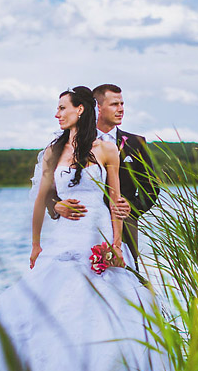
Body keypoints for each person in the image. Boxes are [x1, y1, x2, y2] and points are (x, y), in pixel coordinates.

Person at [0, 86, 171, 371]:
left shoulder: (107, 150)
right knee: (53, 304)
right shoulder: (51, 152)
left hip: (98, 234)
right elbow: (40, 198)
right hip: (65, 239)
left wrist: (116, 244)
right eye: (57, 109)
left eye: (62, 108)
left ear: (81, 110)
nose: (57, 114)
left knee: (111, 309)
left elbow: (116, 202)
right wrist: (37, 242)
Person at [46, 84, 159, 270]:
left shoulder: (136, 143)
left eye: (122, 104)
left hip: (125, 226)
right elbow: (50, 187)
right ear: (98, 108)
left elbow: (151, 186)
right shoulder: (70, 143)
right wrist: (55, 206)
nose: (121, 109)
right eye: (115, 104)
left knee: (126, 282)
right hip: (79, 224)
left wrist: (132, 207)